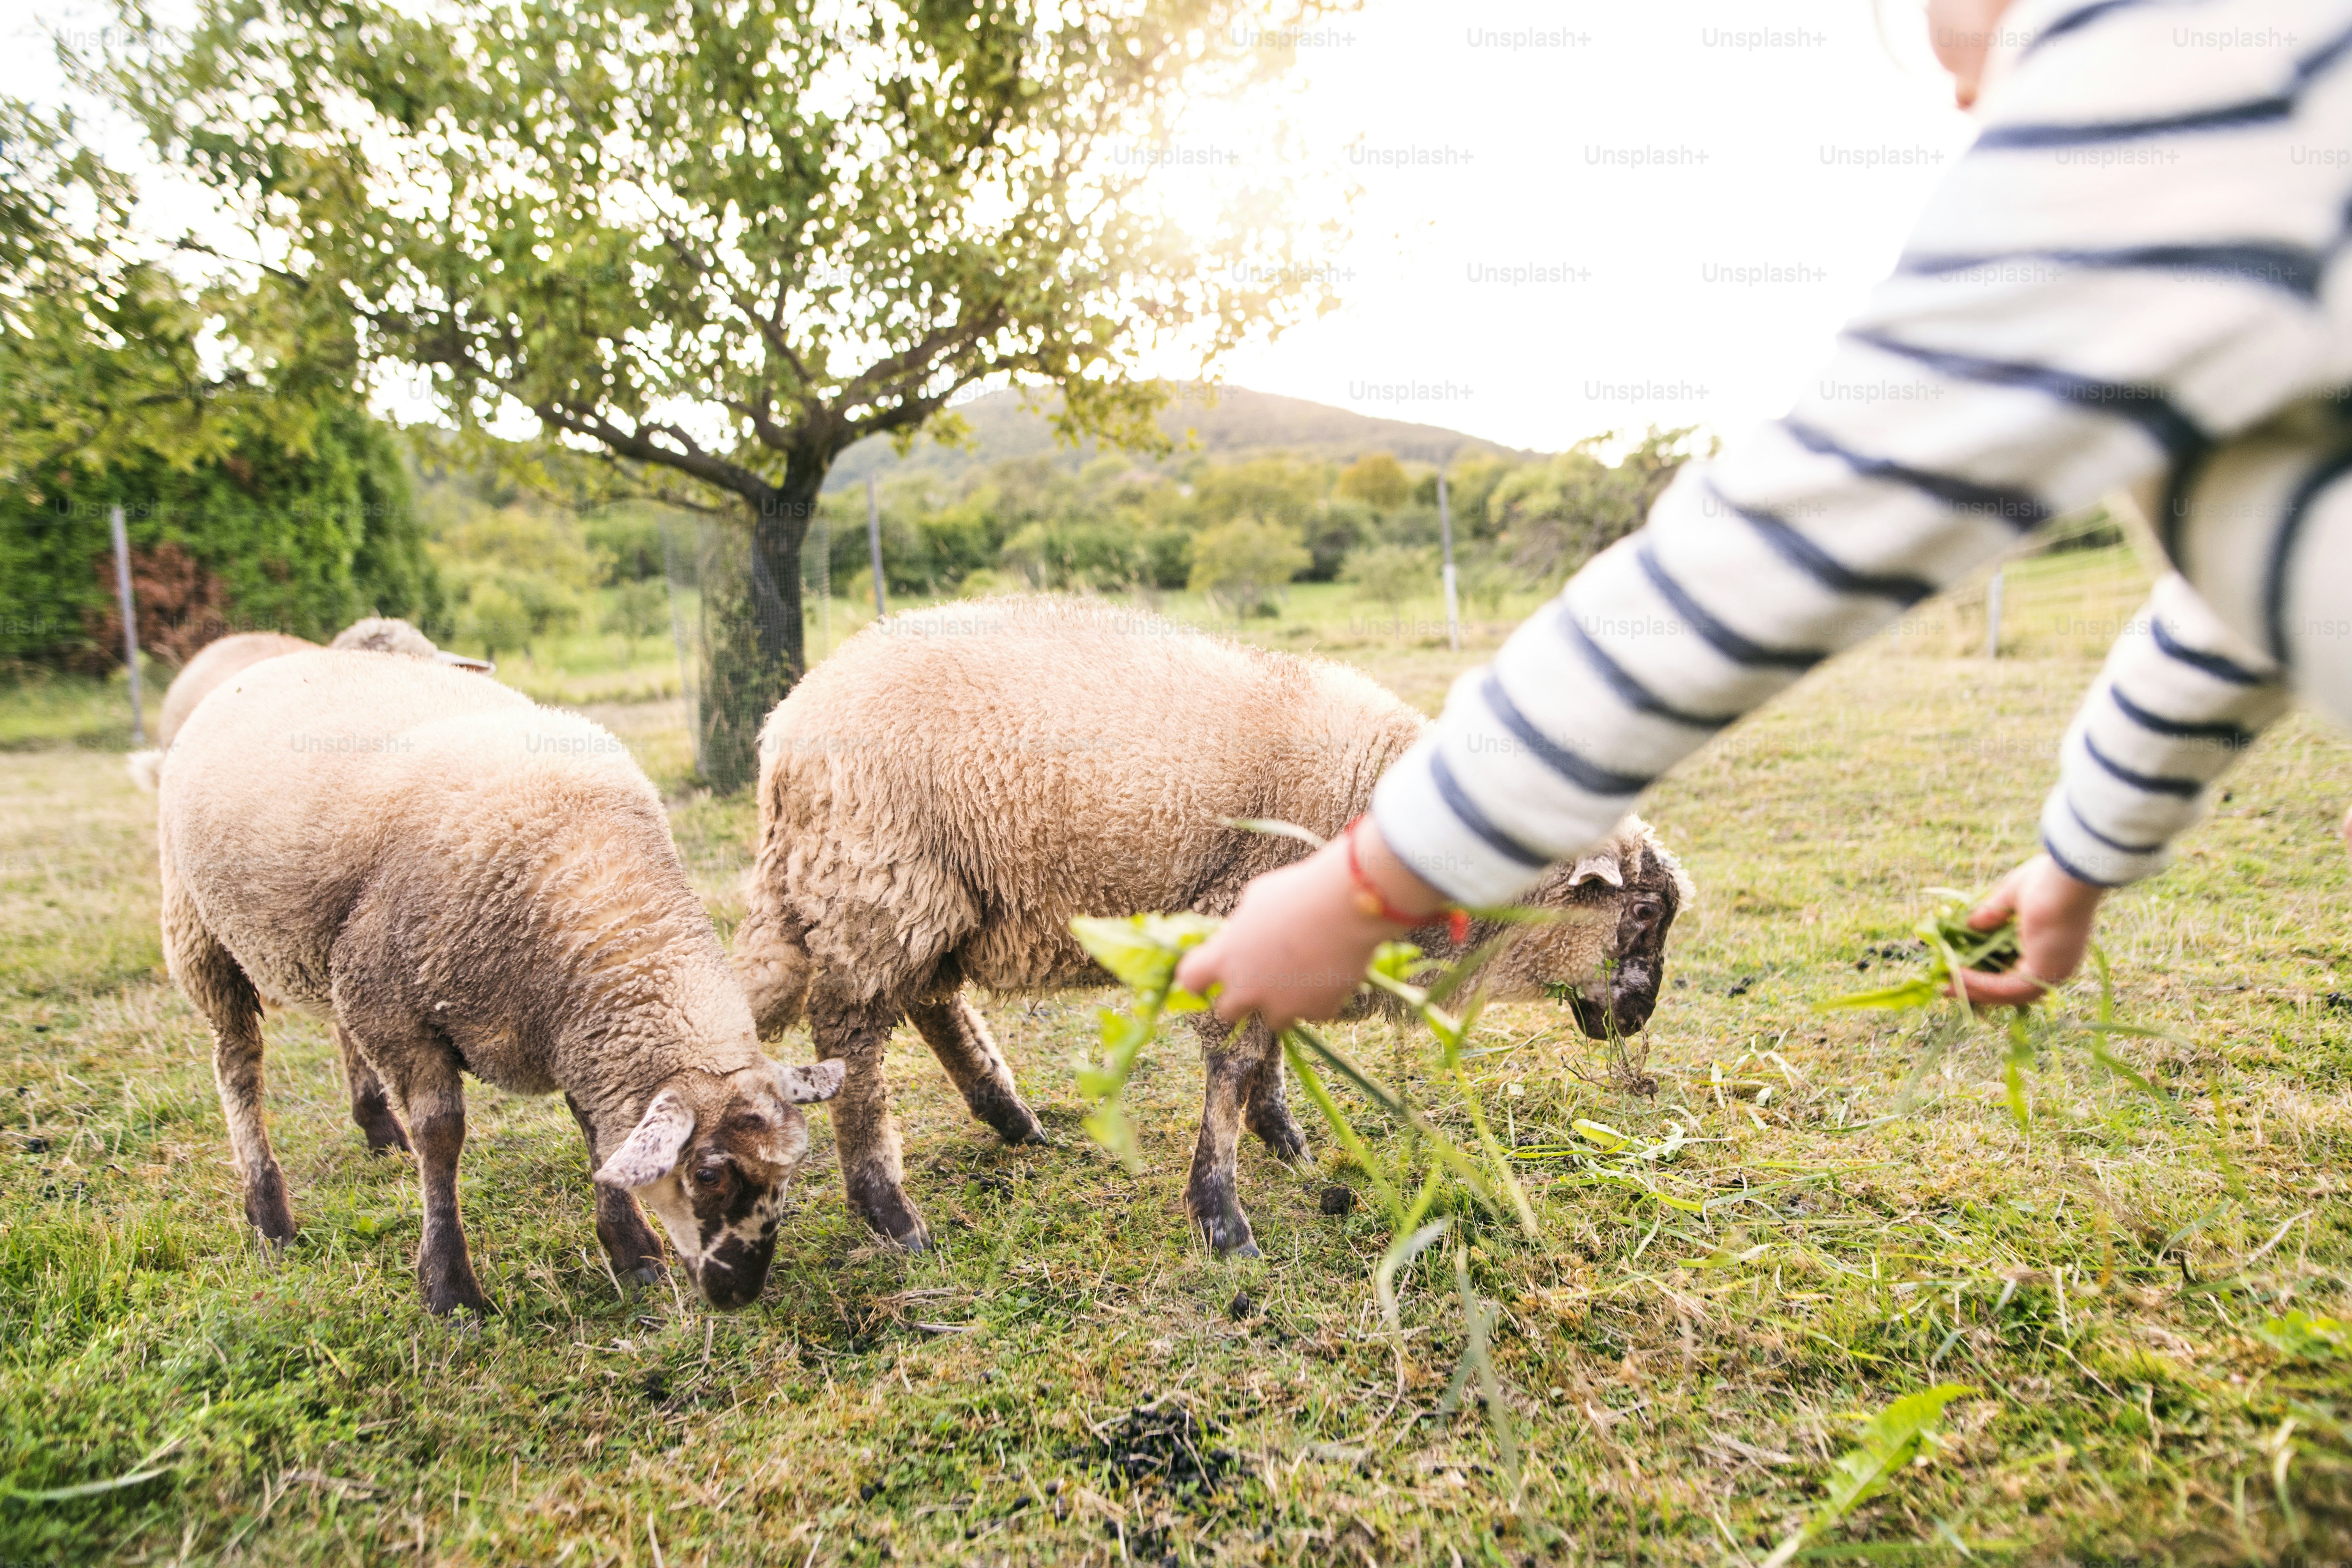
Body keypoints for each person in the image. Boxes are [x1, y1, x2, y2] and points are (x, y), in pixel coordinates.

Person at [1179, 0, 2352, 1025]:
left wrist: (1370, 886)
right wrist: (2082, 862)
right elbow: (2241, 595)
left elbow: (1783, 542)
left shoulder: (2163, 64)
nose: (1953, 90)